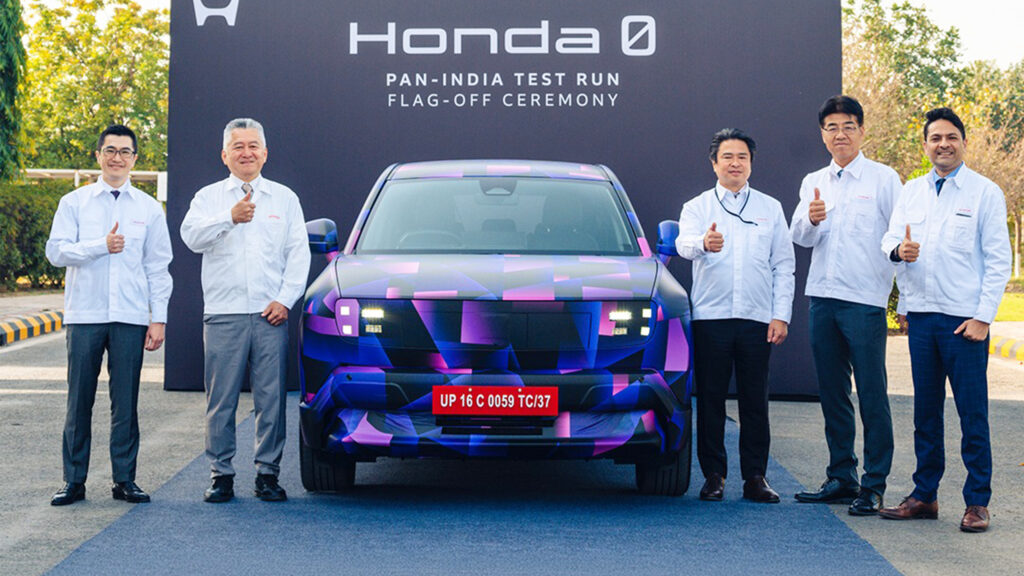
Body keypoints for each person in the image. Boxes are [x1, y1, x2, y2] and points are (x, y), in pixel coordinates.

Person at [878, 107, 1011, 532]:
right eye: (935, 138)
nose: (944, 144)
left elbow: (998, 260)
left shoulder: (985, 192)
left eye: (951, 137)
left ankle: (977, 502)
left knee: (973, 414)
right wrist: (898, 251)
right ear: (925, 145)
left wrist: (983, 318)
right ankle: (924, 495)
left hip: (963, 324)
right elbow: (889, 238)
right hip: (922, 319)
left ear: (964, 143)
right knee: (926, 413)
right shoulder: (911, 191)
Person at [180, 118, 311, 503]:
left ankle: (267, 474)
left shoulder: (284, 198)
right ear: (225, 155)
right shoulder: (208, 198)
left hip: (270, 314)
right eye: (238, 146)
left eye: (253, 146)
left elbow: (298, 254)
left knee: (271, 399)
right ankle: (221, 474)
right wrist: (229, 218)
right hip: (224, 312)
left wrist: (285, 299)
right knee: (221, 400)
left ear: (265, 153)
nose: (246, 153)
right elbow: (191, 238)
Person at [45, 124, 173, 506]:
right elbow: (56, 252)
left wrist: (158, 318)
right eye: (110, 150)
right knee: (78, 401)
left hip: (130, 316)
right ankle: (73, 481)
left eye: (125, 152)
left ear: (135, 159)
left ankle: (124, 480)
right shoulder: (75, 202)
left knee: (126, 402)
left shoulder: (148, 208)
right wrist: (99, 246)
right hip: (85, 314)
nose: (117, 158)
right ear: (98, 155)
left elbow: (158, 267)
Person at [790, 95, 902, 515]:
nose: (840, 134)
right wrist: (811, 218)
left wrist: (904, 299)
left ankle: (873, 484)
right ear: (823, 135)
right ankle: (841, 476)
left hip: (865, 301)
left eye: (848, 126)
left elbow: (898, 239)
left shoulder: (884, 179)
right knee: (832, 393)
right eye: (832, 127)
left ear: (861, 131)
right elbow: (799, 236)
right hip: (823, 298)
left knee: (872, 393)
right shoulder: (813, 181)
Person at [675, 128, 795, 503]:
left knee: (754, 401)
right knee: (711, 399)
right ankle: (714, 476)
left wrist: (781, 315)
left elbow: (784, 265)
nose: (735, 163)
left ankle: (755, 477)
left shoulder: (770, 208)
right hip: (711, 317)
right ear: (714, 163)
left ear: (751, 163)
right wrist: (703, 243)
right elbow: (682, 244)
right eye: (727, 157)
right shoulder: (697, 207)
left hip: (757, 318)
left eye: (742, 157)